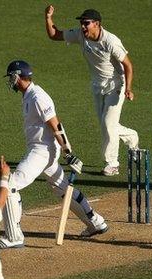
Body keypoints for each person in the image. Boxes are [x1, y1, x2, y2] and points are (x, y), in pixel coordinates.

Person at [0, 60, 107, 249]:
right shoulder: (28, 95)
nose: (10, 82)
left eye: (11, 77)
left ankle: (14, 236)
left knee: (11, 185)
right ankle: (95, 222)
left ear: (18, 76)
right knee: (62, 188)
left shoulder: (37, 97)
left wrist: (68, 153)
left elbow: (56, 125)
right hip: (42, 150)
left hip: (41, 151)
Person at [45, 6, 139, 176]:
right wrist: (48, 17)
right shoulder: (81, 35)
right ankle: (132, 137)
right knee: (106, 125)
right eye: (81, 23)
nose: (82, 26)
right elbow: (55, 35)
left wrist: (129, 88)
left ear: (97, 24)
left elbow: (128, 65)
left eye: (86, 23)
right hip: (97, 86)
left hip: (116, 85)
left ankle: (113, 164)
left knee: (108, 124)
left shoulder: (111, 41)